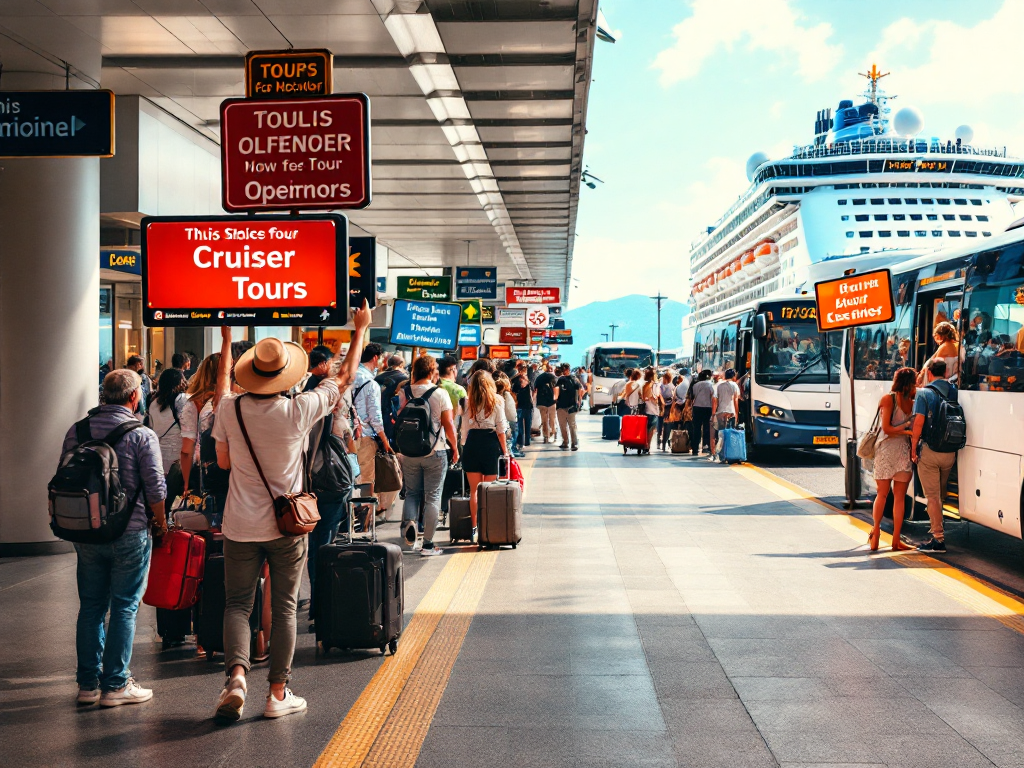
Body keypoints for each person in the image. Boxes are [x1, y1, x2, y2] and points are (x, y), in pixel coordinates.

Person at [211, 302, 371, 722]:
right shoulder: (299, 410)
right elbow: (345, 377)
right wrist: (360, 330)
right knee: (283, 607)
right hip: (287, 525)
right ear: (286, 375)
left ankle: (236, 680)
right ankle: (277, 693)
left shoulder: (230, 409)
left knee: (236, 605)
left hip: (239, 524)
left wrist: (227, 340)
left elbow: (222, 408)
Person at [64, 369, 168, 707]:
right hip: (130, 531)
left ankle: (87, 685)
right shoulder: (141, 435)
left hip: (86, 532)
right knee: (124, 606)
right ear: (134, 397)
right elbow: (155, 487)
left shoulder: (77, 430)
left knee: (91, 606)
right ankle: (116, 685)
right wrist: (162, 523)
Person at [395, 355, 459, 556]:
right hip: (435, 450)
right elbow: (448, 424)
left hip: (409, 451)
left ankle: (409, 540)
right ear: (432, 372)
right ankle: (429, 545)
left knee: (412, 494)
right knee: (433, 496)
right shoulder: (440, 393)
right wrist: (455, 447)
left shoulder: (404, 391)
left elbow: (399, 417)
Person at [910, 359, 959, 553]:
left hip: (929, 451)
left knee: (932, 496)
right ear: (946, 372)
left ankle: (938, 539)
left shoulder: (923, 393)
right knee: (940, 494)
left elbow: (918, 423)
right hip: (950, 451)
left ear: (929, 373)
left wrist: (913, 448)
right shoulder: (955, 390)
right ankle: (938, 526)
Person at [867, 367, 917, 552]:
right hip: (902, 452)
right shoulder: (911, 403)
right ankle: (896, 541)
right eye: (915, 382)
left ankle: (876, 532)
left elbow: (886, 429)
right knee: (899, 498)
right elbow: (895, 428)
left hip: (886, 450)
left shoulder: (888, 399)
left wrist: (902, 429)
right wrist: (906, 429)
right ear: (909, 383)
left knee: (882, 494)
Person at [460, 371, 510, 538]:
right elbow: (501, 429)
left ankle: (474, 528)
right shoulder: (497, 401)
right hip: (490, 443)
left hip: (472, 443)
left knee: (474, 490)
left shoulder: (468, 402)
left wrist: (462, 446)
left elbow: (464, 428)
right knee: (488, 490)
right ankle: (486, 528)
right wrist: (505, 451)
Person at [352, 342, 397, 516]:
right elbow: (375, 417)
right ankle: (364, 524)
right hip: (365, 437)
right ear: (376, 358)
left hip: (346, 436)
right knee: (367, 481)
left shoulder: (348, 377)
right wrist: (385, 441)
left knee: (351, 480)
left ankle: (350, 520)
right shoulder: (371, 383)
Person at [146, 368, 188, 504]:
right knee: (174, 499)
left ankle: (159, 522)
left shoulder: (153, 402)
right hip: (177, 459)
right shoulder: (181, 400)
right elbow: (189, 430)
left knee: (162, 497)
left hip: (158, 457)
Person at [375, 353, 410, 442]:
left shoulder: (378, 377)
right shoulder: (403, 378)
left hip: (377, 410)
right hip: (392, 413)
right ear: (401, 364)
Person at [711, 368, 741, 457]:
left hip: (720, 411)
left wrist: (713, 414)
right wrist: (736, 413)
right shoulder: (734, 385)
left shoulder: (719, 386)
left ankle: (721, 453)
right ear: (733, 376)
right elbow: (736, 400)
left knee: (721, 433)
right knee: (730, 433)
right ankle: (729, 453)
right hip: (731, 412)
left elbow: (715, 400)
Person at [554, 363, 582, 451]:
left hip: (562, 406)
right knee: (571, 425)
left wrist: (555, 401)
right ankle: (572, 443)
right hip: (571, 406)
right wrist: (578, 401)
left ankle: (566, 442)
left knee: (565, 425)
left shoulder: (562, 380)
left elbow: (556, 392)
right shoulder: (574, 379)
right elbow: (581, 390)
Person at [495, 373, 521, 458]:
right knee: (509, 442)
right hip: (507, 423)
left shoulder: (494, 397)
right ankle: (510, 454)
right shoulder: (506, 395)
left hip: (499, 424)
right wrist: (514, 420)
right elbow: (510, 411)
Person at [689, 370, 714, 456]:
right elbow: (712, 395)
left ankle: (695, 448)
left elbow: (694, 395)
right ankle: (705, 447)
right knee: (706, 428)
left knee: (696, 428)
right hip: (708, 407)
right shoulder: (710, 385)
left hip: (697, 407)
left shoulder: (695, 385)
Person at [512, 363, 534, 452]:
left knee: (522, 425)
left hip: (522, 405)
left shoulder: (517, 380)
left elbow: (513, 392)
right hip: (524, 405)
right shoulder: (525, 381)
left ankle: (522, 442)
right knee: (524, 425)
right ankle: (524, 442)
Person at [534, 362, 558, 443]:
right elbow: (556, 389)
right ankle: (553, 433)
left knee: (544, 420)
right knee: (552, 419)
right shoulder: (554, 377)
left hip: (541, 402)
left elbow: (535, 390)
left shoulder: (539, 378)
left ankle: (545, 437)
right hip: (552, 402)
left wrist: (534, 400)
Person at [640, 368, 663, 454]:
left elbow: (642, 397)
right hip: (653, 410)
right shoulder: (655, 385)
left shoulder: (644, 385)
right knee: (652, 429)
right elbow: (656, 396)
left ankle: (643, 444)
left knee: (645, 429)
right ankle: (647, 446)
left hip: (645, 409)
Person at [658, 370, 675, 451]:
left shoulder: (669, 386)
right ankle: (662, 442)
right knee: (662, 425)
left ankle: (663, 443)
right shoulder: (670, 386)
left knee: (664, 425)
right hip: (666, 407)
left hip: (665, 407)